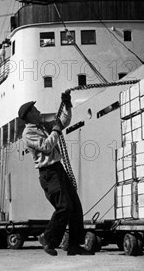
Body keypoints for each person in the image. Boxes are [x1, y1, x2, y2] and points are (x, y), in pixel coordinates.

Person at [21, 92, 93, 257]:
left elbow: (63, 122)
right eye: (36, 110)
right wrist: (55, 130)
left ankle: (75, 245)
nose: (39, 112)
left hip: (58, 170)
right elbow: (46, 146)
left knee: (75, 207)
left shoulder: (43, 126)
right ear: (29, 115)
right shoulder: (28, 133)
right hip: (48, 173)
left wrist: (66, 104)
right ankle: (48, 238)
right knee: (64, 206)